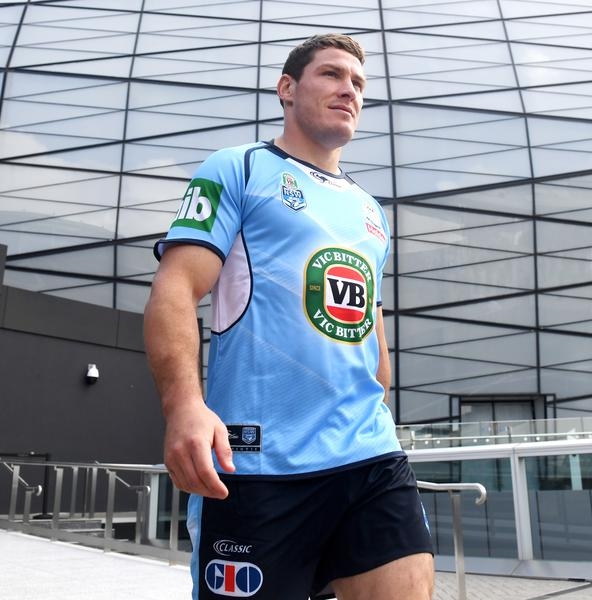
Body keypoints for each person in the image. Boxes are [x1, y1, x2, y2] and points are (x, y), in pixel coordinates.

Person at [144, 33, 434, 600]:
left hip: (368, 455)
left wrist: (379, 395)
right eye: (331, 75)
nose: (349, 90)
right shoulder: (239, 168)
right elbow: (176, 288)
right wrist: (183, 406)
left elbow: (368, 322)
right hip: (258, 465)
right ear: (287, 88)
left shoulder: (371, 211)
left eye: (358, 83)